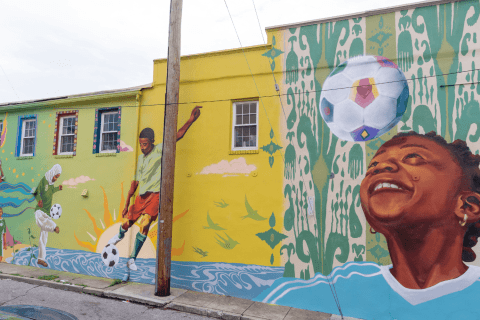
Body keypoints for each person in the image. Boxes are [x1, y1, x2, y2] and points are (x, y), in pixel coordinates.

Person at [256, 131, 480, 320]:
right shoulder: (344, 285)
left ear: (467, 207)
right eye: (373, 164)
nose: (380, 166)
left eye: (413, 157)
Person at [108, 106, 201, 271]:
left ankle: (132, 259)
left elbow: (177, 135)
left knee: (145, 223)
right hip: (140, 197)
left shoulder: (159, 150)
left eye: (145, 144)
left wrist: (190, 120)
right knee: (126, 223)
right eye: (140, 144)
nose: (142, 147)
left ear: (151, 142)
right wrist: (126, 202)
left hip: (155, 196)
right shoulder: (140, 159)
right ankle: (119, 236)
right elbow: (134, 183)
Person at [33, 164, 63, 267]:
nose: (55, 179)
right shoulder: (44, 180)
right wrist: (39, 200)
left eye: (57, 177)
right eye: (56, 176)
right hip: (40, 211)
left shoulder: (50, 184)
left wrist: (57, 189)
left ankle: (41, 259)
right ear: (52, 173)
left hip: (47, 212)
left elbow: (50, 192)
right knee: (42, 221)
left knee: (43, 239)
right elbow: (36, 192)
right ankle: (54, 227)